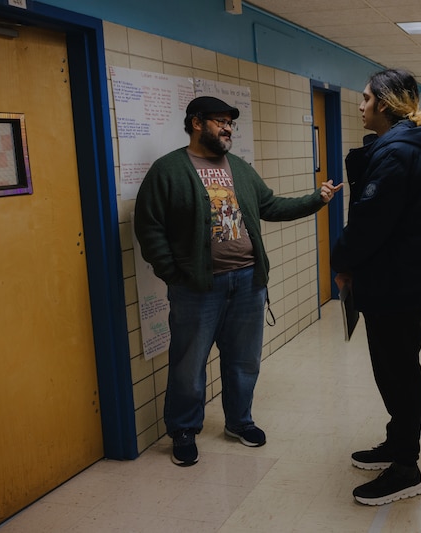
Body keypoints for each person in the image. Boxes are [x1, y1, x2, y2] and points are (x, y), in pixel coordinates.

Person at [134, 96, 341, 467]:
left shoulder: (240, 168)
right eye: (219, 121)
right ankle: (183, 429)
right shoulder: (168, 170)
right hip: (197, 286)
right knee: (189, 362)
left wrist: (316, 200)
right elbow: (149, 226)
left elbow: (270, 206)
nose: (227, 128)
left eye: (230, 122)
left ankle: (239, 422)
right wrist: (172, 271)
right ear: (196, 123)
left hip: (248, 280)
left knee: (244, 360)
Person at [331, 69, 421, 505]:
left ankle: (405, 467)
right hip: (399, 278)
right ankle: (397, 445)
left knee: (397, 371)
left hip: (396, 283)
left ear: (384, 102)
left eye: (364, 98)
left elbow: (367, 226)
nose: (359, 106)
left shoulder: (396, 154)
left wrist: (340, 262)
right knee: (393, 368)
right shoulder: (403, 147)